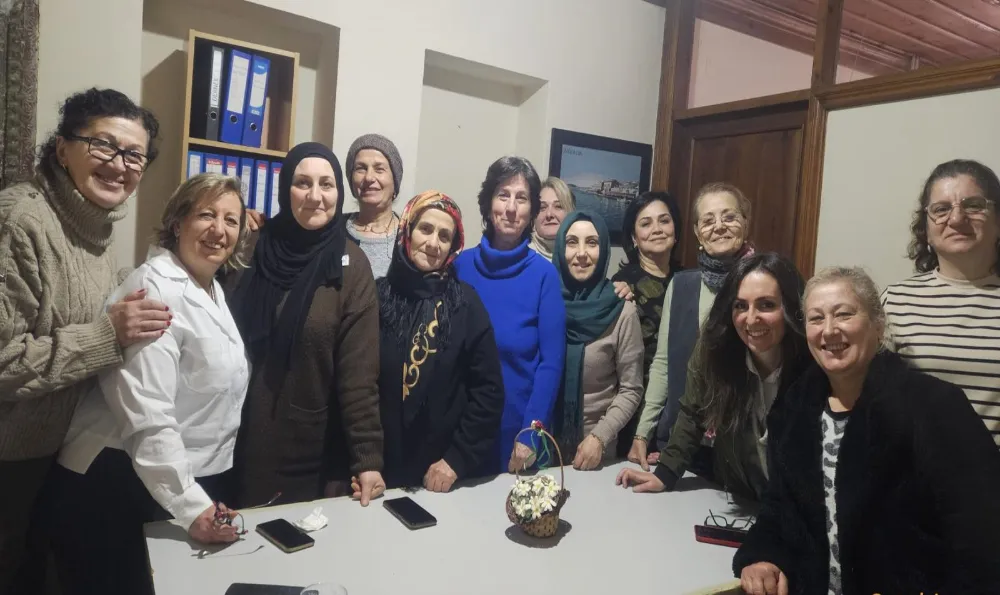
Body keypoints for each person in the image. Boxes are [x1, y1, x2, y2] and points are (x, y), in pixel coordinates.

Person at [735, 267, 1000, 595]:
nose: (829, 330)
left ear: (878, 323)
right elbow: (778, 508)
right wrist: (761, 556)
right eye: (816, 319)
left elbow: (983, 536)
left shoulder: (935, 406)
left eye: (844, 314)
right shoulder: (792, 410)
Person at [46, 174, 250, 595]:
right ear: (178, 222)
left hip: (167, 478)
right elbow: (148, 416)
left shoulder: (210, 288)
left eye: (231, 220)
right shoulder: (153, 290)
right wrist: (193, 506)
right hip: (115, 482)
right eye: (206, 215)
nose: (219, 230)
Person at [0, 88, 170, 592]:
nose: (119, 165)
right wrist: (106, 335)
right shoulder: (20, 221)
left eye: (134, 155)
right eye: (103, 145)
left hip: (52, 452)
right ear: (62, 148)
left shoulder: (93, 225)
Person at [225, 142, 385, 508]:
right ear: (285, 189)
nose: (315, 196)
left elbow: (359, 377)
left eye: (326, 184)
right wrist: (233, 216)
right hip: (228, 439)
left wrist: (368, 459)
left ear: (339, 193)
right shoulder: (248, 246)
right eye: (303, 183)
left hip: (304, 451)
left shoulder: (352, 267)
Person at [616, 253, 810, 500]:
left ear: (791, 308)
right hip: (743, 496)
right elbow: (693, 412)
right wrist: (665, 474)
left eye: (767, 305)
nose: (751, 318)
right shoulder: (715, 350)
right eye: (740, 305)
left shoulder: (812, 366)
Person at [377, 191, 505, 491]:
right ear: (407, 231)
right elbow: (355, 386)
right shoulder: (377, 298)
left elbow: (489, 393)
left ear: (453, 246)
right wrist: (362, 461)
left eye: (444, 236)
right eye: (425, 229)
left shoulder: (466, 305)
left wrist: (456, 460)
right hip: (377, 472)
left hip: (441, 478)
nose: (433, 243)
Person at [628, 182, 755, 469]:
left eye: (729, 217)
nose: (719, 227)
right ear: (697, 232)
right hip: (681, 445)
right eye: (708, 221)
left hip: (742, 450)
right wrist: (642, 432)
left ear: (746, 223)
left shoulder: (763, 281)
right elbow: (663, 363)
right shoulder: (682, 285)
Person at [454, 156, 566, 473]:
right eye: (503, 195)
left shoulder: (544, 276)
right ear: (488, 202)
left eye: (522, 198)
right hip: (460, 434)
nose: (511, 208)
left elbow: (550, 364)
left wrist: (531, 434)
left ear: (532, 210)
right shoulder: (459, 267)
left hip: (519, 438)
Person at [882, 159, 1000, 447]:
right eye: (941, 209)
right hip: (918, 471)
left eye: (974, 205)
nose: (956, 219)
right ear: (926, 228)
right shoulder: (894, 301)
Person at [552, 211, 643, 470]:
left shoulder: (621, 309)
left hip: (596, 452)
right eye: (572, 242)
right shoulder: (545, 302)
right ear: (560, 249)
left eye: (592, 243)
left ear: (603, 250)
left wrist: (599, 438)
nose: (582, 253)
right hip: (544, 443)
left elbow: (631, 389)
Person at [611, 191, 684, 457]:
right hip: (635, 410)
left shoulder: (689, 281)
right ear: (634, 237)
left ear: (675, 230)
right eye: (646, 223)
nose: (657, 229)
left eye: (664, 220)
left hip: (682, 411)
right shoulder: (621, 287)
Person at [344, 133, 404, 278]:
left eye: (379, 169)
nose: (369, 177)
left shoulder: (410, 237)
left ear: (395, 180)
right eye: (361, 168)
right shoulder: (333, 231)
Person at [528, 176, 575, 261]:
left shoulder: (582, 256)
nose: (549, 214)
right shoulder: (522, 257)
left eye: (558, 206)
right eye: (542, 207)